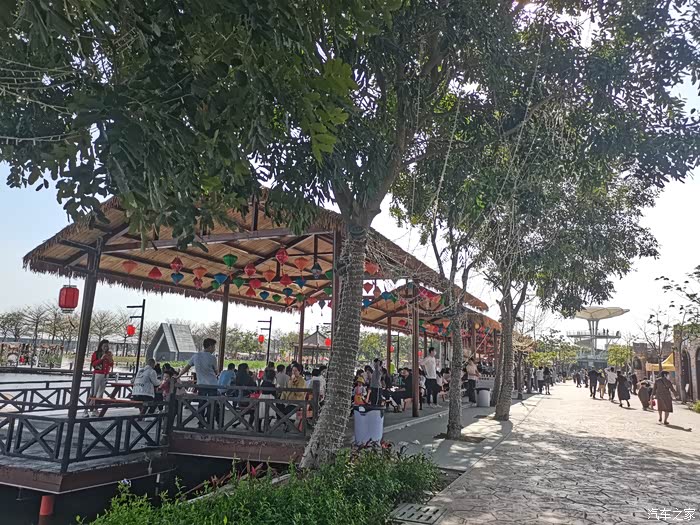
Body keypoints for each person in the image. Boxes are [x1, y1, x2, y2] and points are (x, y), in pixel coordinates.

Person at [179, 338, 219, 427]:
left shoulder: (195, 356)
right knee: (212, 404)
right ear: (210, 346)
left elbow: (186, 367)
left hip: (201, 384)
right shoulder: (212, 358)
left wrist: (178, 376)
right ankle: (210, 423)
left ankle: (201, 422)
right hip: (212, 384)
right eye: (214, 347)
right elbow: (216, 372)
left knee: (202, 403)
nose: (214, 349)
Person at [88, 340, 113, 416]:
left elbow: (111, 364)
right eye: (104, 346)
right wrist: (101, 358)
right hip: (98, 374)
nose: (106, 347)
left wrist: (110, 359)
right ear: (101, 346)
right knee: (94, 392)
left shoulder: (109, 353)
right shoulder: (96, 353)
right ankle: (87, 409)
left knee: (100, 393)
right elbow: (93, 364)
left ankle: (96, 409)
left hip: (105, 374)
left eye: (107, 346)